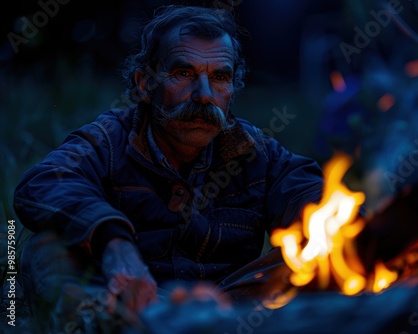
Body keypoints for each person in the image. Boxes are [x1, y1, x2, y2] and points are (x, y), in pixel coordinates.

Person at [12, 4, 324, 332]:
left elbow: (312, 194)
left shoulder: (257, 152)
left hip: (229, 309)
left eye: (219, 77)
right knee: (45, 248)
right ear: (144, 83)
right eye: (183, 73)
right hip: (129, 302)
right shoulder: (110, 138)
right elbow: (43, 183)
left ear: (233, 89)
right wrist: (113, 241)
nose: (204, 96)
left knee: (318, 256)